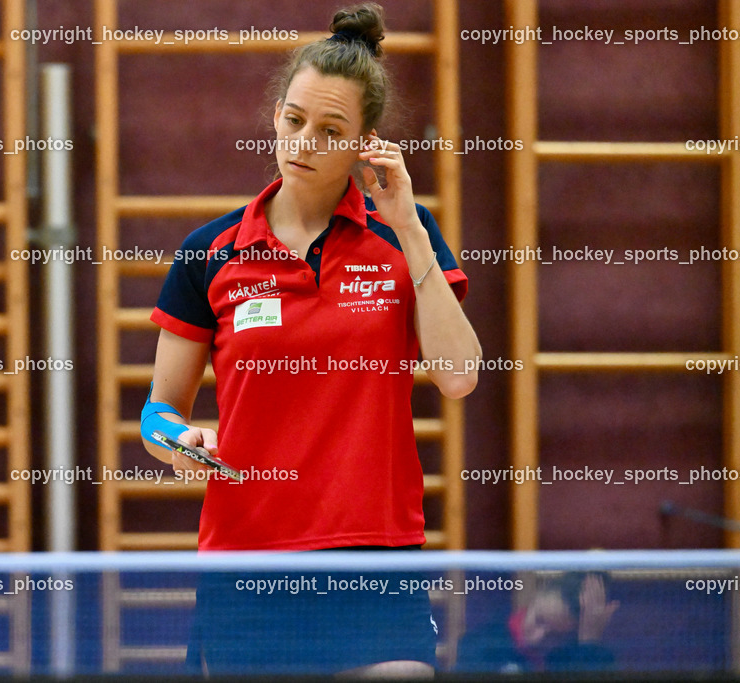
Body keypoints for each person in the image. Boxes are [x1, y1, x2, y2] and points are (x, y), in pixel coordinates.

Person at [140, 3, 481, 675]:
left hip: (375, 557)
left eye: (331, 130)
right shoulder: (210, 252)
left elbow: (460, 374)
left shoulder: (402, 240)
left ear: (365, 142)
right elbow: (157, 412)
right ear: (275, 117)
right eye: (294, 121)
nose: (304, 142)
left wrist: (410, 227)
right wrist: (178, 439)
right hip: (249, 563)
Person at [455, 572, 619, 673]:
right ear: (536, 596)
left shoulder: (576, 659)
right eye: (539, 620)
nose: (537, 638)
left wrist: (589, 644)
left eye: (554, 636)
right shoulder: (481, 646)